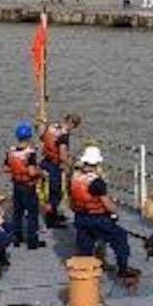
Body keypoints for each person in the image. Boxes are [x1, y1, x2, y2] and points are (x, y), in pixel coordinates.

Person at [69, 145, 139, 280]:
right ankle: (123, 269)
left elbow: (73, 199)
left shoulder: (75, 176)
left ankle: (85, 270)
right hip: (97, 219)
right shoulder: (97, 182)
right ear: (97, 163)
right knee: (120, 238)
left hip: (80, 217)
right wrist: (116, 213)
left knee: (85, 245)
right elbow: (108, 205)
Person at [5, 122, 45, 249]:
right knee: (32, 214)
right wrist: (42, 173)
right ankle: (32, 242)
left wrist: (16, 171)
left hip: (17, 185)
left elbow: (6, 168)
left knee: (17, 212)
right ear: (29, 137)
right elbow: (32, 171)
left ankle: (17, 238)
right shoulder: (30, 153)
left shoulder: (10, 151)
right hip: (28, 186)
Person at [40, 113, 81, 228]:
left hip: (45, 161)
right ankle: (51, 220)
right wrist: (72, 165)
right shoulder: (64, 135)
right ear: (72, 124)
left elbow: (42, 137)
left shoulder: (52, 126)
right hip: (54, 165)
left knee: (48, 191)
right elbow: (62, 155)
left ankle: (52, 214)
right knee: (56, 193)